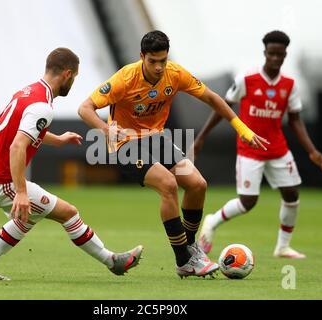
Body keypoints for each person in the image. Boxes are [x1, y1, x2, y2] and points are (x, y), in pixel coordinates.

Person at [78, 30, 268, 278]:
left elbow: (212, 98)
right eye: (153, 61)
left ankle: (190, 251)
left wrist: (242, 129)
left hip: (156, 139)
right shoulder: (125, 78)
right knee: (168, 184)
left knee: (198, 185)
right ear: (142, 57)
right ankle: (184, 260)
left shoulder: (175, 74)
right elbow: (85, 108)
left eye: (163, 61)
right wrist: (105, 130)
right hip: (125, 144)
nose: (158, 67)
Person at [0, 48, 143, 281]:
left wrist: (57, 139)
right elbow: (17, 146)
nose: (73, 82)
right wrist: (20, 192)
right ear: (67, 74)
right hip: (1, 181)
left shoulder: (27, 91)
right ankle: (113, 261)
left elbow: (19, 130)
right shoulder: (43, 106)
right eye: (75, 77)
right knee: (68, 213)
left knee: (27, 218)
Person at [194, 30, 322, 259]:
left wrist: (312, 151)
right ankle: (212, 221)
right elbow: (223, 108)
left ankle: (282, 247)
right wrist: (201, 138)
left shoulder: (289, 85)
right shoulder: (246, 80)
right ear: (265, 53)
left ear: (285, 54)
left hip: (278, 149)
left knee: (292, 195)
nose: (276, 58)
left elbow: (296, 121)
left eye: (280, 54)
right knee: (248, 202)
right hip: (250, 149)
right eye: (272, 53)